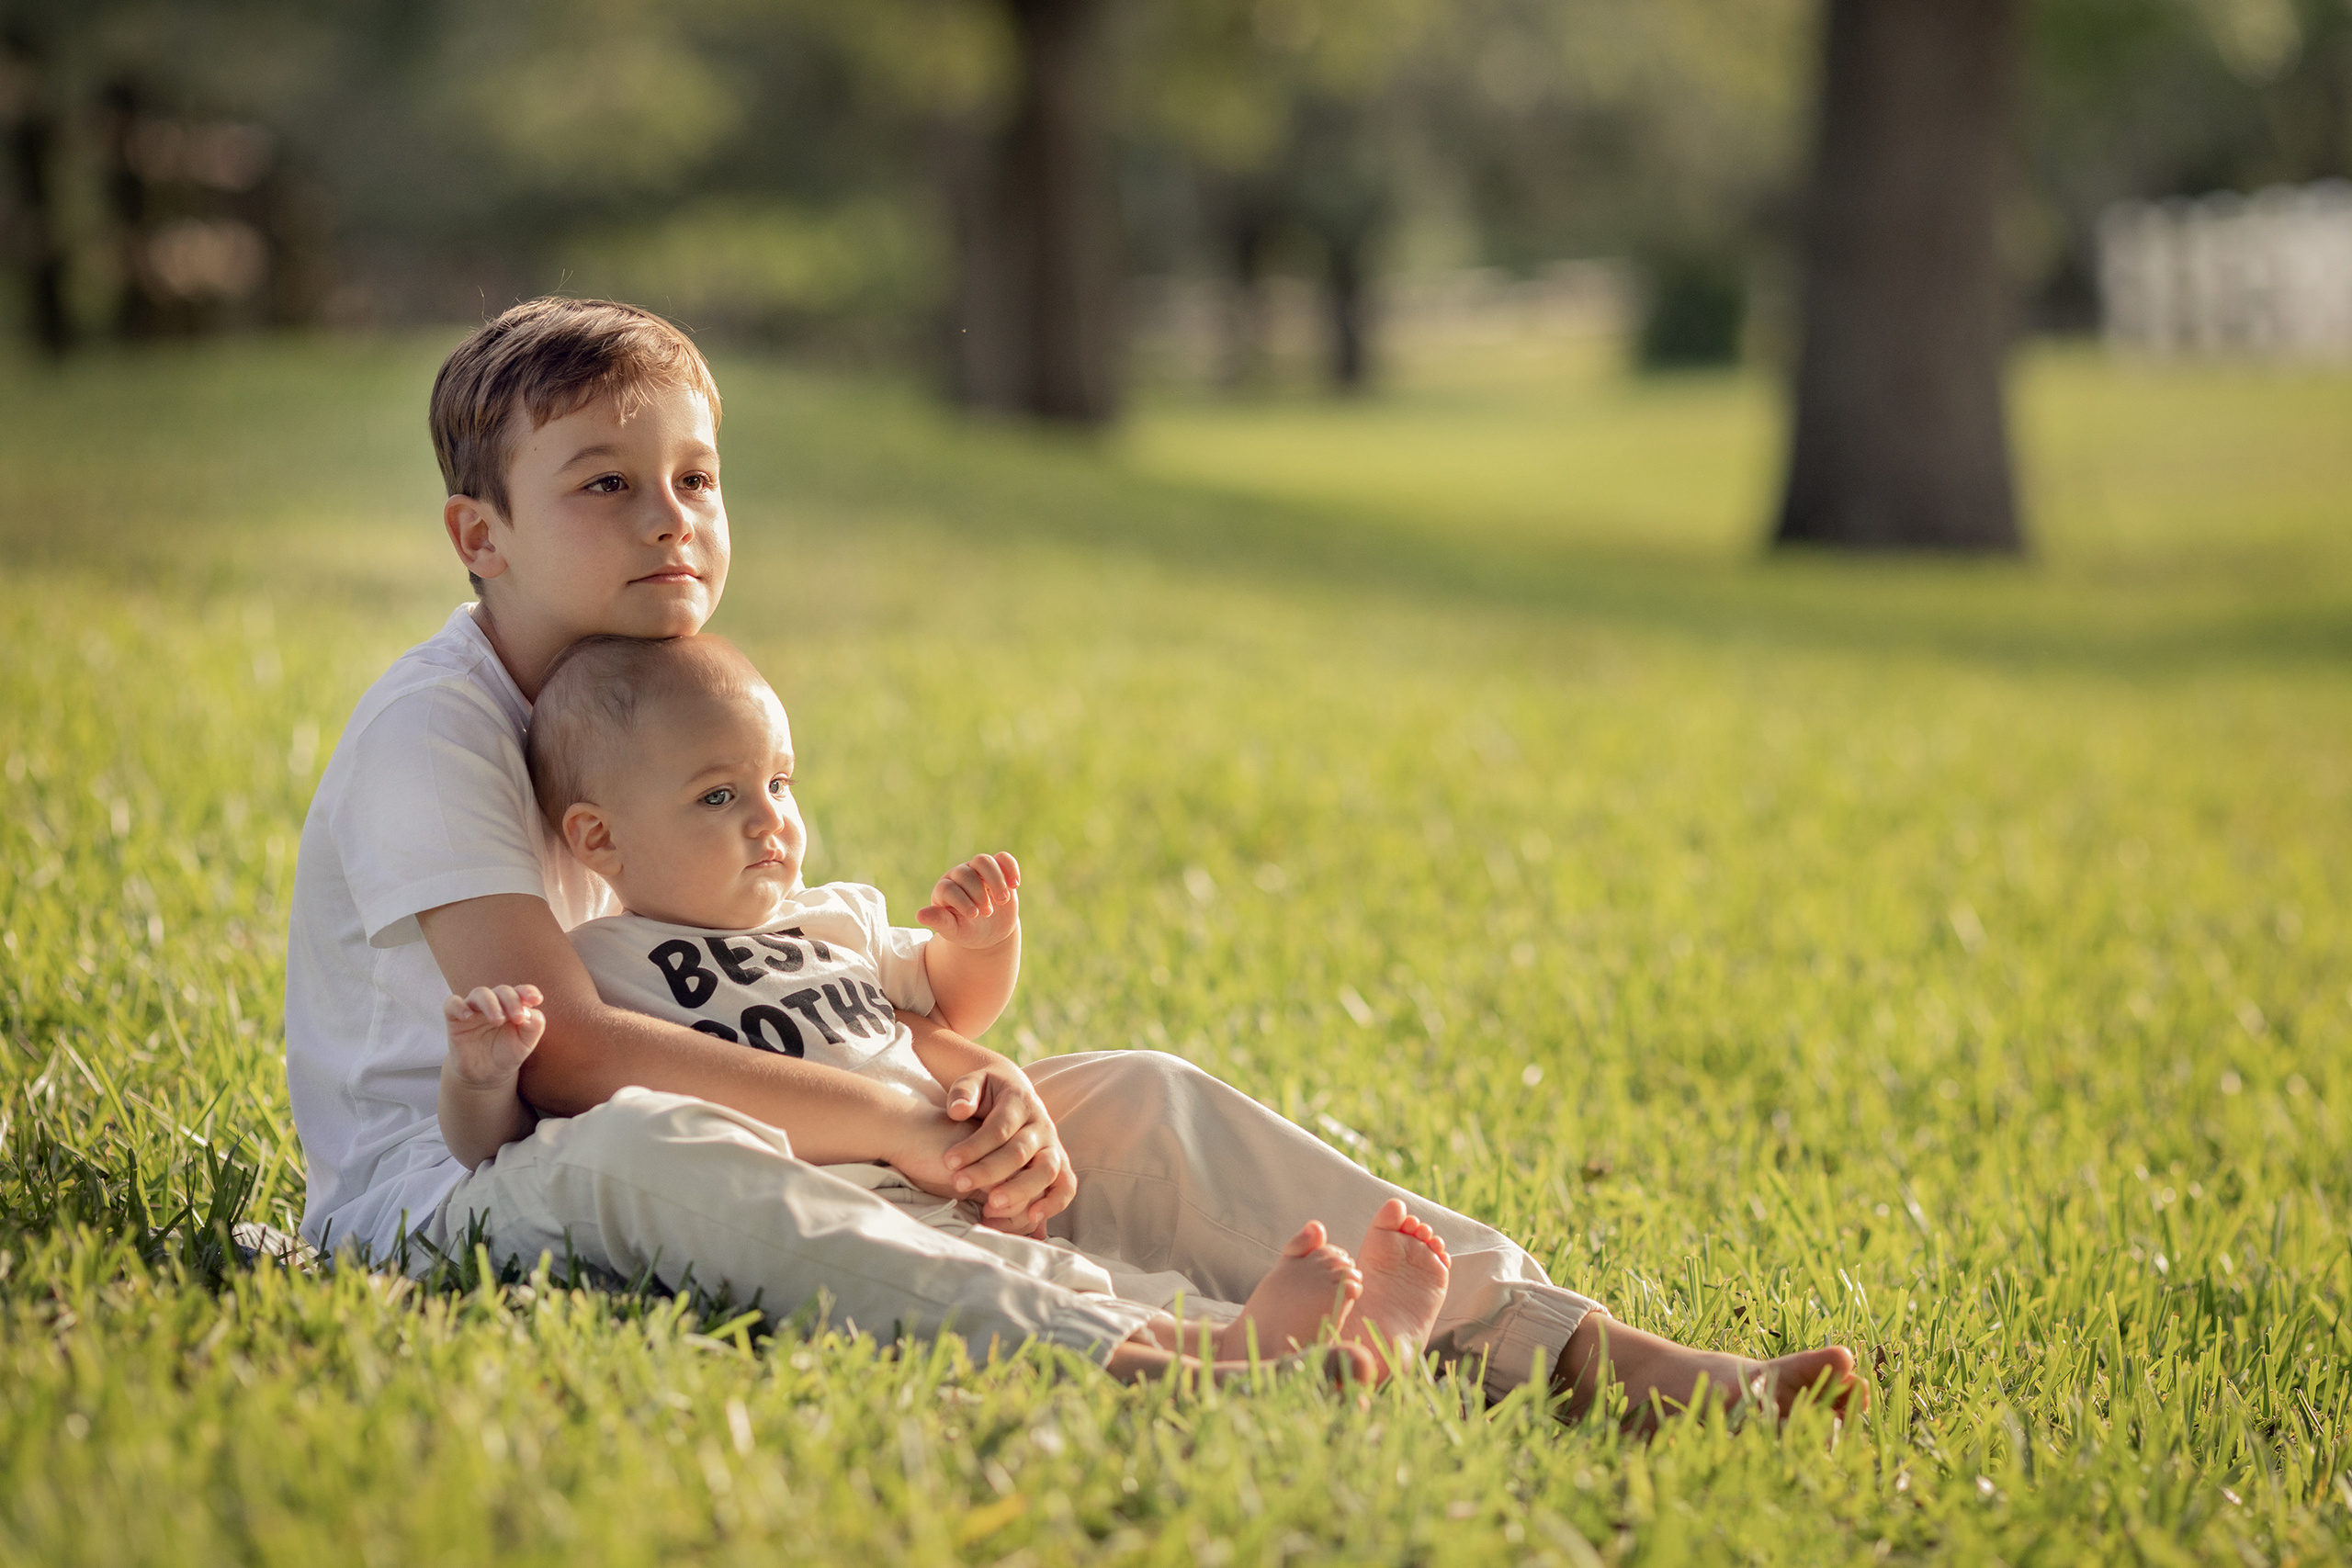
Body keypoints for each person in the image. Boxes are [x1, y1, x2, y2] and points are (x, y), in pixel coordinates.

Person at [282, 295, 1860, 1420]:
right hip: (465, 1187)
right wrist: (909, 1125)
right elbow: (564, 1058)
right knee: (661, 1156)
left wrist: (968, 1076)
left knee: (1139, 1096)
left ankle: (1596, 1352)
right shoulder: (438, 732)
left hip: (773, 1102)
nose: (671, 520)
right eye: (605, 486)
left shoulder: (657, 688)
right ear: (478, 536)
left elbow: (778, 984)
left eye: (696, 477)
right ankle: (1172, 1351)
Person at [438, 633, 1459, 1382]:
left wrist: (983, 945)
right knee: (1027, 1299)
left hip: (965, 1183)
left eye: (780, 784)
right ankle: (1242, 1356)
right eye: (718, 798)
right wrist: (483, 1075)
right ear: (602, 840)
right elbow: (515, 1136)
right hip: (846, 1204)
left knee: (1092, 1274)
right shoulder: (604, 965)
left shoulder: (832, 922)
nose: (771, 824)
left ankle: (1340, 1347)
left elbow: (953, 1008)